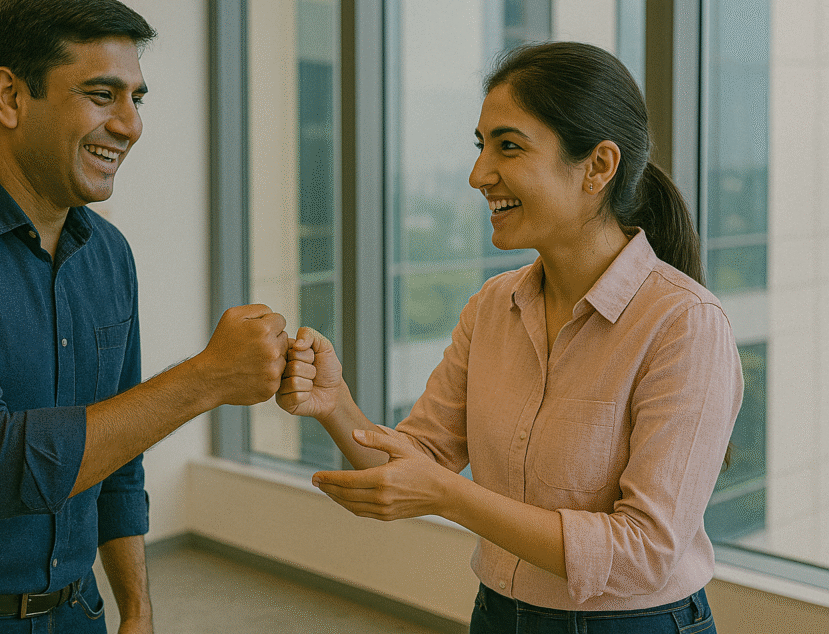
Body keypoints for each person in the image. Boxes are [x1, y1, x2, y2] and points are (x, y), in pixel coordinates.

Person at [0, 0, 287, 634]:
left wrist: (139, 609)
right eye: (102, 94)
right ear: (10, 96)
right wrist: (207, 377)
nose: (130, 123)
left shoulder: (108, 253)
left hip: (75, 610)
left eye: (136, 98)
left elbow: (121, 452)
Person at [278, 41, 743, 633]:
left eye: (509, 146)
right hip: (499, 613)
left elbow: (644, 554)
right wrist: (334, 403)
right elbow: (415, 464)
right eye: (481, 145)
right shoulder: (494, 306)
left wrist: (448, 496)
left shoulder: (684, 323)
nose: (478, 175)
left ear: (598, 166)